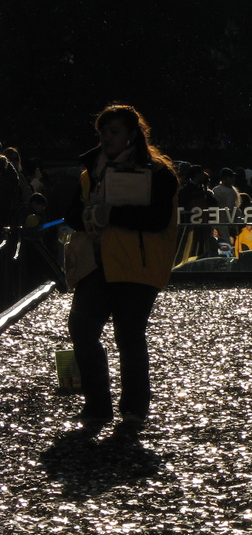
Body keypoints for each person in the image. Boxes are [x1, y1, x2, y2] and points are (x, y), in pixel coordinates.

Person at [65, 104, 179, 428]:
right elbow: (71, 211)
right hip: (98, 265)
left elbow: (158, 220)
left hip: (136, 267)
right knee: (83, 329)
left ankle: (132, 410)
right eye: (102, 133)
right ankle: (99, 405)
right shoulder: (90, 171)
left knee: (128, 336)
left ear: (132, 135)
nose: (105, 139)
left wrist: (109, 214)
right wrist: (84, 216)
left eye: (113, 132)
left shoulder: (159, 173)